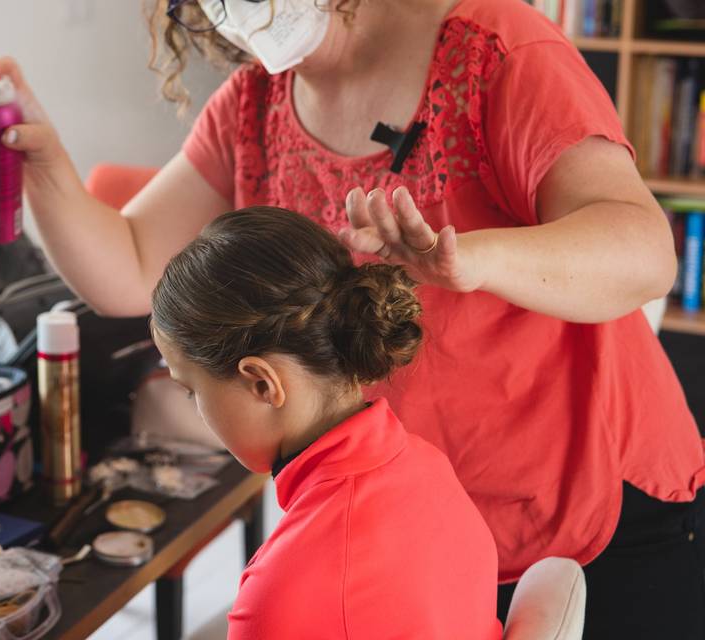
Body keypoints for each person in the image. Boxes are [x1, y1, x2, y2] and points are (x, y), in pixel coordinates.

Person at [0, 0, 705, 635]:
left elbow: (642, 251)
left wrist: (474, 262)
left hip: (596, 506)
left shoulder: (493, 52)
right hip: (422, 527)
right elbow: (128, 269)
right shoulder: (255, 103)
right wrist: (44, 166)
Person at [151, 206, 502, 639]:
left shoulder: (279, 592)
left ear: (262, 384)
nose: (197, 409)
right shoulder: (430, 467)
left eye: (191, 390)